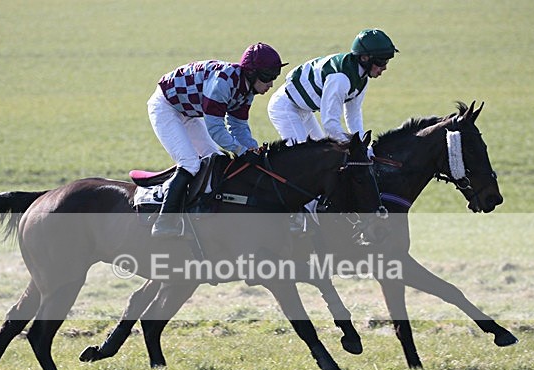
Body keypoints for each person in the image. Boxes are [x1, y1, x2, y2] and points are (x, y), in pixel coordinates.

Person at [148, 43, 287, 238]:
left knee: (215, 160)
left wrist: (253, 150)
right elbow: (216, 129)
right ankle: (164, 221)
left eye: (274, 77)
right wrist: (241, 151)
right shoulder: (223, 83)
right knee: (190, 163)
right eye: (267, 77)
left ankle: (200, 211)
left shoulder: (246, 90)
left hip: (189, 112)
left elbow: (238, 127)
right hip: (166, 107)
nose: (271, 84)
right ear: (251, 73)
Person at [267, 29, 398, 144]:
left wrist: (362, 144)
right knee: (306, 157)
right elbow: (330, 123)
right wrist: (351, 145)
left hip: (305, 110)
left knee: (322, 156)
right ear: (364, 58)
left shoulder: (361, 78)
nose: (385, 67)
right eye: (381, 61)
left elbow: (353, 116)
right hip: (285, 108)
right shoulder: (340, 79)